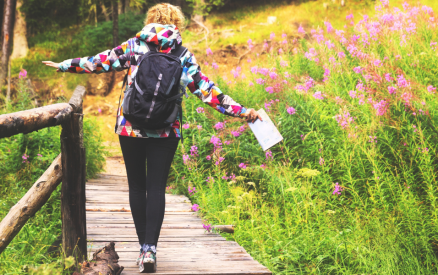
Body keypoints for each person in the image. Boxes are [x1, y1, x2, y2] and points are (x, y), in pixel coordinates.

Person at [43, 3, 261, 273]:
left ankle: (142, 248)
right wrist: (242, 111)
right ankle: (150, 250)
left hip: (130, 126)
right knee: (156, 187)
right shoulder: (182, 53)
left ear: (150, 21)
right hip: (166, 129)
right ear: (177, 25)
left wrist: (65, 65)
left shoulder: (135, 46)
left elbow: (100, 62)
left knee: (136, 186)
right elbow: (207, 91)